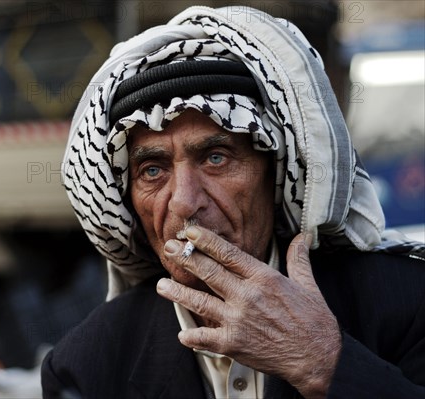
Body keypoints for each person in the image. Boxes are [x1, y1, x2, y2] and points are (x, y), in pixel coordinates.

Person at [41, 6, 425, 399]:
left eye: (216, 158)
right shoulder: (87, 365)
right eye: (153, 171)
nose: (184, 203)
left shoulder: (406, 304)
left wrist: (324, 363)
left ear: (274, 176)